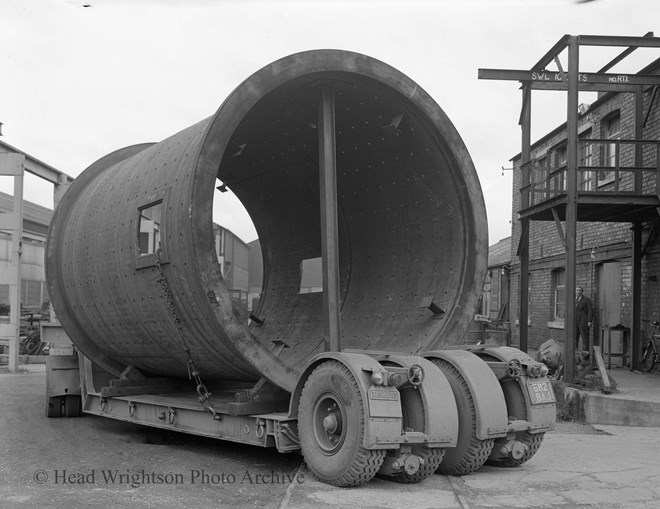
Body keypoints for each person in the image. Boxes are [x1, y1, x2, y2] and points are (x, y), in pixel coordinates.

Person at [575, 286, 594, 359]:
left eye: (580, 290)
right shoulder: (574, 300)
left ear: (582, 291)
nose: (578, 291)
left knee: (585, 340)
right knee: (574, 339)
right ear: (575, 291)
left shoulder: (586, 299)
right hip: (575, 322)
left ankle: (585, 359)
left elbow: (590, 310)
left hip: (583, 321)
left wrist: (589, 321)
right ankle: (575, 358)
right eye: (577, 290)